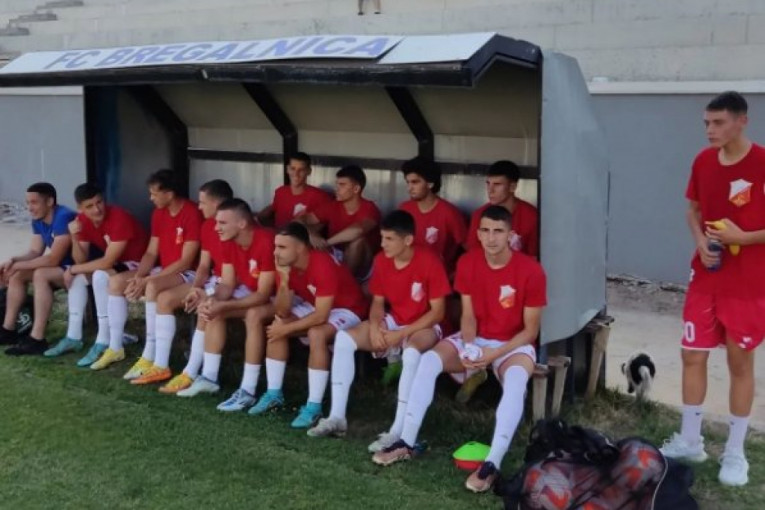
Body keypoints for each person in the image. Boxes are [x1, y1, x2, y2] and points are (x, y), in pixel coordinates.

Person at [372, 205, 547, 495]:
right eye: (485, 231)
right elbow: (467, 315)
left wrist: (493, 355)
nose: (491, 238)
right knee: (428, 361)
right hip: (476, 338)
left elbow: (530, 331)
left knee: (516, 381)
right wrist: (469, 346)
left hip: (513, 344)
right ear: (477, 233)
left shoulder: (531, 270)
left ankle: (492, 464)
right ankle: (406, 442)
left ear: (510, 235)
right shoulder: (468, 262)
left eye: (498, 231)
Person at [660, 91, 765, 487]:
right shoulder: (703, 161)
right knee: (691, 354)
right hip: (706, 276)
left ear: (742, 121)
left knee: (740, 362)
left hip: (749, 283)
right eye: (706, 123)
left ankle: (735, 452)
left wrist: (744, 237)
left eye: (718, 122)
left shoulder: (762, 162)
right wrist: (700, 241)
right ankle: (690, 440)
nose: (710, 130)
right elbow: (693, 209)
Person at [307, 210, 451, 452]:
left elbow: (437, 313)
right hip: (395, 320)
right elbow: (377, 302)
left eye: (389, 239)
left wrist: (399, 335)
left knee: (411, 353)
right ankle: (336, 418)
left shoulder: (429, 260)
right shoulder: (382, 260)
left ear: (407, 240)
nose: (383, 243)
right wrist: (375, 327)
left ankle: (398, 430)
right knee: (344, 339)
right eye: (382, 238)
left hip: (426, 325)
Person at [247, 222, 367, 429]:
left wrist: (286, 329)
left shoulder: (321, 263)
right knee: (278, 323)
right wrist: (284, 280)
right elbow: (282, 311)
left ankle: (314, 406)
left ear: (301, 248)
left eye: (282, 247)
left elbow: (321, 316)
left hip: (348, 308)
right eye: (275, 246)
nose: (275, 252)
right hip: (317, 303)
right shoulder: (284, 265)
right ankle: (274, 394)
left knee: (316, 333)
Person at [88, 170, 203, 375]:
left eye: (154, 193)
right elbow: (151, 252)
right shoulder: (158, 213)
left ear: (169, 194)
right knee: (116, 282)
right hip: (164, 270)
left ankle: (149, 356)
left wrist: (148, 279)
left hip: (188, 273)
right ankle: (115, 347)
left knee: (151, 285)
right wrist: (139, 276)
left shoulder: (191, 212)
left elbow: (185, 261)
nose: (151, 198)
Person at [124, 179, 234, 389]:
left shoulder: (235, 227)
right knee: (164, 299)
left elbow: (231, 276)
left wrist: (206, 292)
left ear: (217, 203)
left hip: (232, 285)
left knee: (205, 307)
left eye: (203, 202)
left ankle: (191, 373)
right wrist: (196, 287)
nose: (199, 207)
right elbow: (204, 265)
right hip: (214, 280)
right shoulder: (208, 226)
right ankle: (159, 364)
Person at [176, 199, 276, 408]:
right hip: (255, 292)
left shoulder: (266, 240)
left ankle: (248, 390)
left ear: (242, 224)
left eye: (222, 223)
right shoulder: (228, 241)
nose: (216, 228)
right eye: (216, 222)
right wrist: (211, 299)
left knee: (252, 315)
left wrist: (224, 305)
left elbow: (264, 294)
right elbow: (227, 284)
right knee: (213, 310)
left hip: (286, 296)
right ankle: (209, 378)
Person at [41, 183, 149, 365]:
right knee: (78, 278)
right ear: (80, 208)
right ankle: (73, 337)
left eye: (99, 202)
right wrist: (75, 237)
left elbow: (107, 262)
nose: (97, 209)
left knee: (99, 275)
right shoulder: (82, 220)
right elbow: (80, 260)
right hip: (119, 265)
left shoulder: (119, 217)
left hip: (141, 265)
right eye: (89, 206)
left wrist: (71, 269)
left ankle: (103, 340)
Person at [0, 183, 76, 355]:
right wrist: (13, 261)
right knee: (18, 274)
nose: (29, 208)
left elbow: (53, 259)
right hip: (63, 268)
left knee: (41, 274)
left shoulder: (63, 216)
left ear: (49, 201)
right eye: (28, 203)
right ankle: (8, 330)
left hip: (81, 268)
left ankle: (37, 339)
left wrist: (18, 265)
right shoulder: (38, 219)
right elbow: (35, 252)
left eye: (34, 202)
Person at [302, 165, 381, 279]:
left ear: (356, 189)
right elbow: (301, 220)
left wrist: (326, 243)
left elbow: (357, 230)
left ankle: (345, 282)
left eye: (342, 185)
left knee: (358, 242)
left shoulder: (369, 208)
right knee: (304, 238)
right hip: (336, 255)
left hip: (363, 264)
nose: (337, 189)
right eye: (337, 184)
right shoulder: (333, 206)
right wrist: (311, 234)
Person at [398, 157, 467, 274]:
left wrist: (454, 276)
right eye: (407, 182)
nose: (409, 188)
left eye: (415, 182)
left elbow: (470, 250)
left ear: (430, 183)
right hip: (407, 274)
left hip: (437, 277)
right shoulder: (404, 208)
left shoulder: (449, 213)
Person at [465, 160, 539, 258]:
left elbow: (534, 258)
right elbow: (473, 255)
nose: (490, 190)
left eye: (497, 184)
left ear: (512, 187)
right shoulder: (479, 215)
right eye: (488, 184)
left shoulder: (531, 217)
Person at [257, 152, 331, 229]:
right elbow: (270, 213)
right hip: (278, 235)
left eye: (301, 170)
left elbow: (324, 224)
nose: (296, 174)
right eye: (293, 169)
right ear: (287, 169)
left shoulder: (320, 196)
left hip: (301, 236)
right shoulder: (280, 192)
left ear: (309, 171)